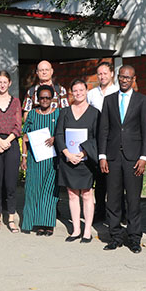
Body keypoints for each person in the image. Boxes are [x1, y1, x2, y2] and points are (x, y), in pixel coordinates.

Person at [98, 65, 146, 253]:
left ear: (133, 79)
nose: (124, 80)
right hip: (112, 157)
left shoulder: (142, 100)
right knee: (112, 199)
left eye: (128, 77)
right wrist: (102, 155)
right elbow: (103, 129)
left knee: (133, 200)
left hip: (133, 158)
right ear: (117, 77)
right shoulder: (109, 100)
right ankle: (115, 236)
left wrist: (144, 157)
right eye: (121, 77)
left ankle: (135, 238)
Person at [55, 79, 99, 243]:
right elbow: (59, 134)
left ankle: (87, 230)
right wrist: (67, 153)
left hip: (85, 160)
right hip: (68, 159)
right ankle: (76, 230)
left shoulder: (95, 113)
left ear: (86, 91)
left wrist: (83, 153)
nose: (78, 93)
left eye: (81, 90)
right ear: (71, 92)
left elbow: (97, 137)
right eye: (75, 90)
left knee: (87, 194)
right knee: (72, 194)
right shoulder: (65, 112)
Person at [21, 85, 60, 235]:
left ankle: (47, 224)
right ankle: (33, 222)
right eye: (41, 98)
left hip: (52, 159)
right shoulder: (31, 114)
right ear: (37, 99)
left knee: (49, 192)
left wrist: (55, 138)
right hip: (34, 159)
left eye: (47, 98)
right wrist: (23, 157)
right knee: (32, 190)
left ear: (52, 99)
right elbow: (25, 137)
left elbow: (63, 132)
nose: (44, 100)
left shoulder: (58, 113)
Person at [0, 70, 22, 233]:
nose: (2, 85)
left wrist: (6, 142)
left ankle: (11, 217)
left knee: (10, 184)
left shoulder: (15, 102)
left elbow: (18, 126)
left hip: (11, 143)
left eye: (5, 82)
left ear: (9, 83)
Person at [86, 61, 118, 220]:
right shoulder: (91, 94)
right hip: (96, 140)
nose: (102, 76)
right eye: (99, 74)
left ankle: (119, 211)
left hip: (114, 140)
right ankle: (100, 210)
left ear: (112, 73)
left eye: (105, 73)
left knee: (115, 178)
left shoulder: (119, 91)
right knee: (99, 178)